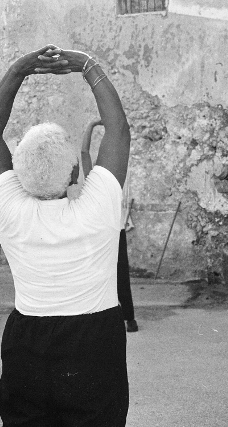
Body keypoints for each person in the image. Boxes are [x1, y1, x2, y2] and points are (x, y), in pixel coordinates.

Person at [0, 45, 131, 425]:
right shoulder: (97, 208)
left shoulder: (12, 210)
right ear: (75, 174)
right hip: (94, 340)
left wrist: (19, 70)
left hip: (28, 341)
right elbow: (118, 129)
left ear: (18, 171)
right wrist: (87, 66)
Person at [81, 118, 138, 333]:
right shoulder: (93, 179)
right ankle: (117, 318)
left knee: (119, 276)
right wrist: (92, 125)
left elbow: (118, 147)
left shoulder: (115, 181)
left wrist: (95, 125)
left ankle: (129, 318)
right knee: (104, 277)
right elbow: (84, 153)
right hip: (101, 234)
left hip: (113, 233)